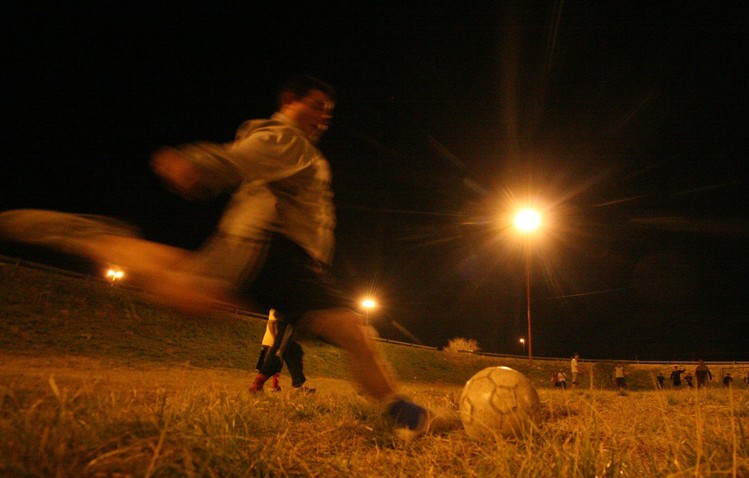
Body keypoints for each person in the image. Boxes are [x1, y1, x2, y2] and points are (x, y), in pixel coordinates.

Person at [0, 75, 456, 438]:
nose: (323, 117)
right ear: (290, 100)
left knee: (193, 295)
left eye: (329, 112)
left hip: (287, 259)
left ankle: (102, 239)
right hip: (271, 252)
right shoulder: (287, 137)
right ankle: (410, 417)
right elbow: (245, 155)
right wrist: (199, 165)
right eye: (316, 106)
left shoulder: (299, 147)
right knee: (352, 331)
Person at [251, 308, 312, 394]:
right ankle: (257, 384)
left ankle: (298, 386)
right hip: (289, 317)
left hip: (293, 318)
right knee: (279, 351)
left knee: (295, 351)